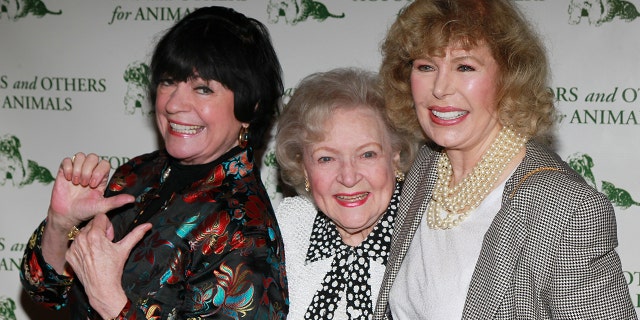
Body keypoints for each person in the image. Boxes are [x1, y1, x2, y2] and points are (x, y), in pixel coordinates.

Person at [372, 0, 636, 319]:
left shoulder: (567, 211)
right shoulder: (425, 168)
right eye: (426, 66)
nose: (440, 89)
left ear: (508, 79)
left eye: (465, 67)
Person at [20, 6, 288, 319]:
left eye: (203, 89)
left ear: (250, 106)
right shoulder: (134, 175)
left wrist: (110, 301)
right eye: (168, 81)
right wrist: (59, 224)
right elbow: (47, 293)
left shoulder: (244, 227)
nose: (173, 103)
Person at [275, 67, 418, 319]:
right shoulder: (287, 228)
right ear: (304, 169)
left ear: (395, 156)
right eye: (327, 158)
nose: (349, 177)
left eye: (367, 154)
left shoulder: (425, 236)